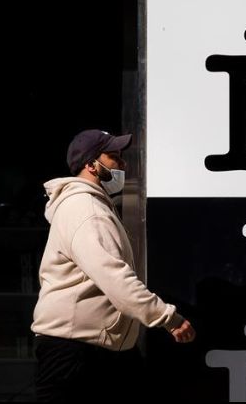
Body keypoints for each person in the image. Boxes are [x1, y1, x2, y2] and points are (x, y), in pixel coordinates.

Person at [31, 129, 195, 402]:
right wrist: (169, 319)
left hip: (98, 347)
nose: (122, 163)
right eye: (113, 156)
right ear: (90, 164)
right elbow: (114, 277)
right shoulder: (86, 209)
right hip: (75, 350)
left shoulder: (95, 205)